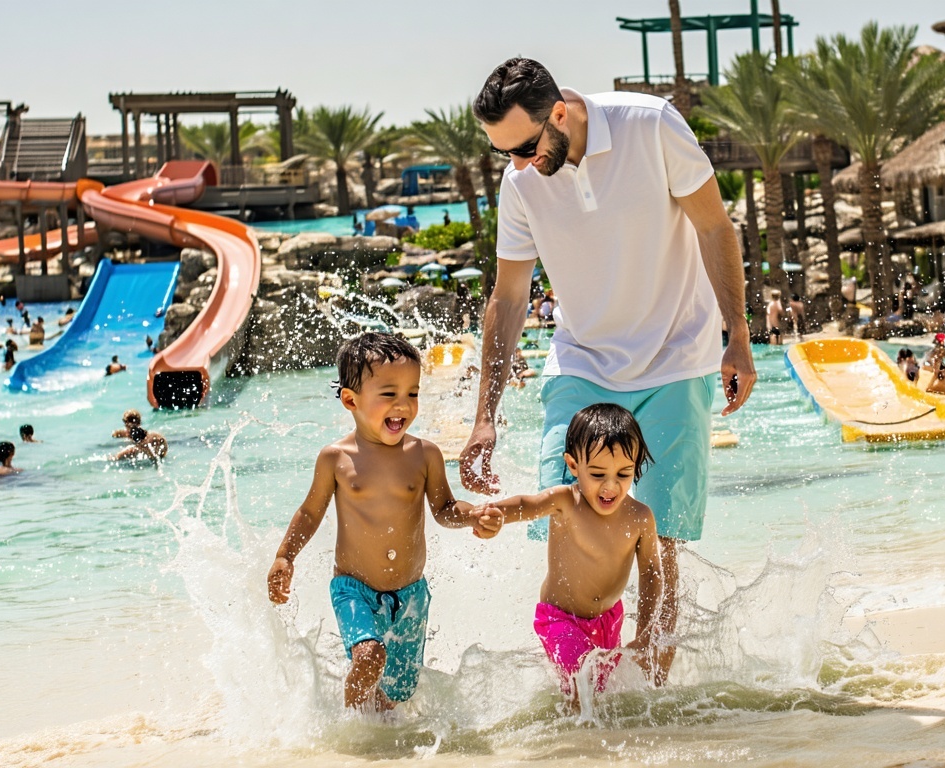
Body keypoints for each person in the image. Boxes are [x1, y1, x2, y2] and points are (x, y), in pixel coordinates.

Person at [464, 58, 756, 684]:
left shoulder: (651, 126)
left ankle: (649, 697)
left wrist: (738, 336)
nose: (515, 165)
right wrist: (485, 416)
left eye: (523, 146)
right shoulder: (520, 184)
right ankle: (580, 691)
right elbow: (509, 296)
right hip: (583, 361)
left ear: (560, 114)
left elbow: (713, 226)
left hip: (677, 356)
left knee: (661, 543)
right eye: (501, 153)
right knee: (563, 515)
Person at [266, 332, 496, 711]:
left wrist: (472, 516)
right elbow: (310, 512)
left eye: (413, 393)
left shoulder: (425, 455)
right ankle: (353, 732)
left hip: (411, 595)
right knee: (369, 657)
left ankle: (379, 732)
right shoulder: (336, 458)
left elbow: (444, 508)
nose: (403, 405)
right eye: (389, 394)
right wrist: (285, 556)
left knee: (398, 696)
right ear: (350, 400)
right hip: (353, 589)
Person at [474, 404, 662, 703]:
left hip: (609, 621)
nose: (611, 486)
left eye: (624, 473)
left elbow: (652, 573)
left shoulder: (640, 517)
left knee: (600, 694)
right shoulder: (565, 502)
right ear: (574, 466)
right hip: (560, 619)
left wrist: (645, 632)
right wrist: (497, 515)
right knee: (579, 684)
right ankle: (578, 745)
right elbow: (528, 503)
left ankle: (586, 738)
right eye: (598, 473)